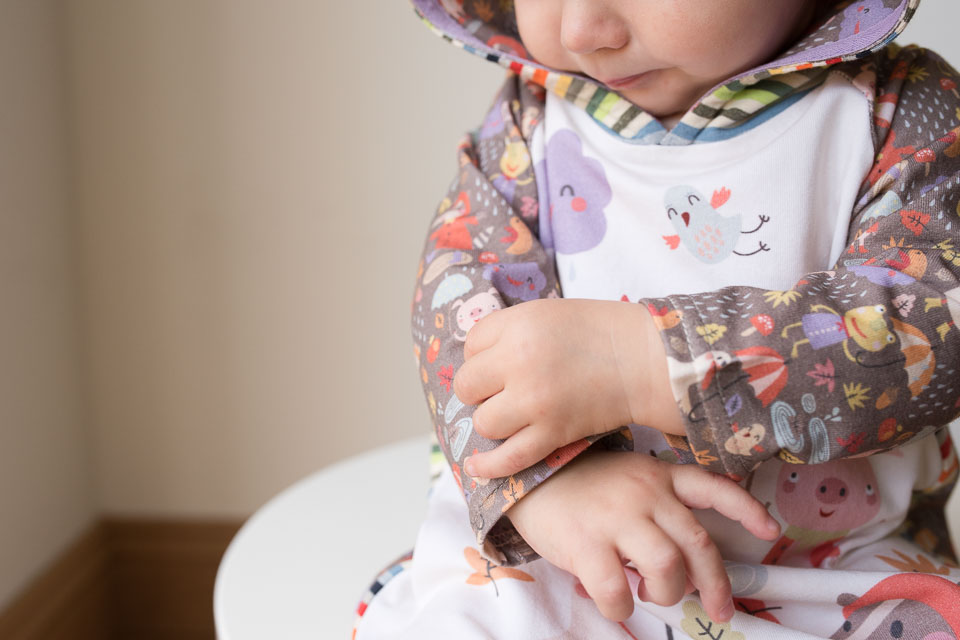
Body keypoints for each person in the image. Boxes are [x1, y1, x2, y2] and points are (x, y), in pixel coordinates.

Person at [353, 0, 960, 637]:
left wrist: (647, 362)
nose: (581, 31)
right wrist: (547, 482)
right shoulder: (529, 121)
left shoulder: (899, 114)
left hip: (834, 569)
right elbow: (457, 313)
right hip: (565, 549)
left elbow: (929, 323)